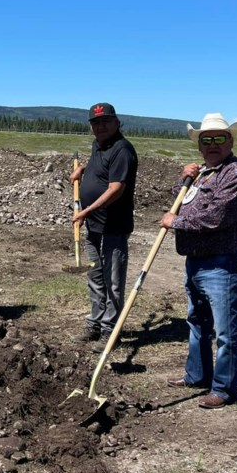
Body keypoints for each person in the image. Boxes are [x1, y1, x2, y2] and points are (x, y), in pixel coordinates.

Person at [160, 113, 237, 410]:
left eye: (218, 139)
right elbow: (181, 198)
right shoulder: (203, 172)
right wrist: (184, 178)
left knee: (225, 330)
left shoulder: (236, 173)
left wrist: (175, 222)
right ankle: (197, 374)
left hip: (222, 261)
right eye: (207, 140)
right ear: (200, 145)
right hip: (196, 260)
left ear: (230, 141)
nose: (212, 145)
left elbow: (215, 217)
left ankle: (224, 389)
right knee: (197, 322)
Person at [69, 102, 138, 352]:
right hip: (94, 226)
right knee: (95, 276)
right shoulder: (98, 145)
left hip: (114, 227)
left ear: (117, 122)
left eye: (106, 121)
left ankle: (111, 330)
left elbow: (115, 189)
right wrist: (83, 170)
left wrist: (85, 210)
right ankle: (95, 323)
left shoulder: (123, 149)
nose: (101, 126)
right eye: (96, 123)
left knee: (113, 280)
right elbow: (102, 169)